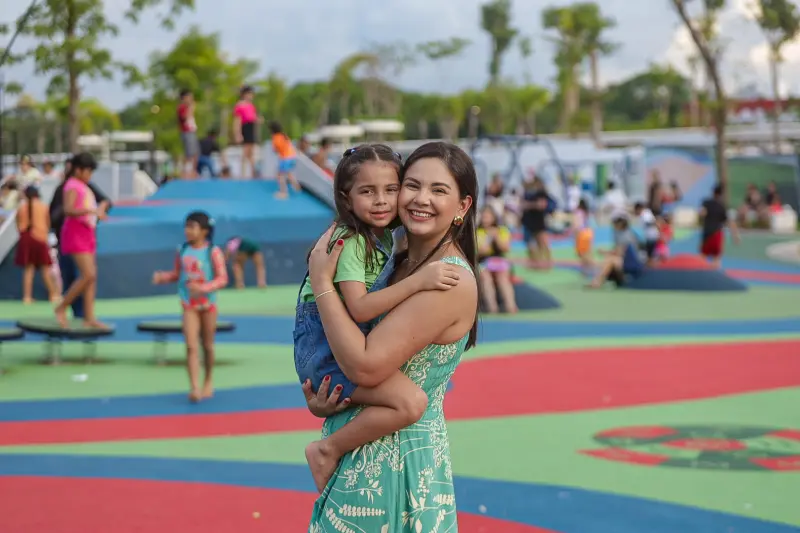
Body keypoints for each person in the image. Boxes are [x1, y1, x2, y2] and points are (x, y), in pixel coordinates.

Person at [302, 141, 479, 532]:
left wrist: (322, 283)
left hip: (395, 467)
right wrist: (333, 395)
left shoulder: (445, 278)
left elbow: (365, 366)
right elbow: (349, 350)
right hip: (364, 459)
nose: (421, 199)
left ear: (462, 207)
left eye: (438, 190)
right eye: (412, 185)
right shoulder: (400, 262)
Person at [152, 211, 228, 402]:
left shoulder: (213, 252)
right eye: (186, 227)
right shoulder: (183, 250)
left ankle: (208, 380)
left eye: (192, 227)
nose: (188, 231)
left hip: (208, 304)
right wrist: (163, 277)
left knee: (207, 346)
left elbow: (222, 278)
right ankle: (194, 387)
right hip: (189, 305)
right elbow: (178, 274)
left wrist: (203, 288)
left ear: (204, 231)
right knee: (191, 346)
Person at [49, 154, 111, 319]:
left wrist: (100, 208)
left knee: (92, 276)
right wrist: (91, 211)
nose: (90, 175)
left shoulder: (84, 186)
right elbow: (68, 209)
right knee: (88, 274)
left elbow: (104, 200)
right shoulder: (72, 185)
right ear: (78, 170)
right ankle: (61, 307)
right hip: (76, 232)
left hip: (86, 232)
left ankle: (89, 318)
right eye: (88, 171)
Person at [15, 186, 58, 303]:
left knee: (29, 269)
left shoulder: (22, 207)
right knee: (45, 268)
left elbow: (18, 223)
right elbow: (48, 223)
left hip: (26, 238)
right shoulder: (43, 207)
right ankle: (53, 294)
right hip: (39, 238)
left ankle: (27, 296)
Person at [587, 213, 645, 289]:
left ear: (621, 224)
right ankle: (597, 281)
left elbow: (620, 252)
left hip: (633, 263)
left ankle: (597, 282)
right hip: (625, 261)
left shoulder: (626, 235)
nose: (614, 224)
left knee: (611, 260)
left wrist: (604, 252)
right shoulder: (620, 233)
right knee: (609, 260)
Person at [476, 205, 516, 313]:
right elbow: (478, 251)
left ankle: (511, 306)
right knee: (486, 278)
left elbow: (505, 248)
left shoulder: (502, 230)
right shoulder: (477, 231)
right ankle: (492, 307)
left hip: (499, 260)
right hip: (483, 261)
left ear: (493, 218)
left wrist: (496, 237)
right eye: (484, 217)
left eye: (488, 217)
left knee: (502, 278)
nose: (485, 219)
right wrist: (487, 241)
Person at [700, 184, 740, 268]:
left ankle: (702, 274)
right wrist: (735, 236)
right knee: (716, 259)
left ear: (713, 192)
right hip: (717, 234)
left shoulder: (707, 203)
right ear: (721, 194)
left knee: (702, 258)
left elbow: (702, 213)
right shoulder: (722, 206)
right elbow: (730, 222)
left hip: (707, 234)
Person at [521, 176, 552, 269]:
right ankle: (535, 263)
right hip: (528, 222)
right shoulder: (526, 193)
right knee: (530, 245)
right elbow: (523, 205)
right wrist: (533, 205)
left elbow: (542, 205)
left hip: (539, 222)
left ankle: (547, 263)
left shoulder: (541, 193)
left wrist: (529, 205)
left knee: (543, 243)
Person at [269, 121, 301, 199]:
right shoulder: (284, 135)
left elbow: (275, 150)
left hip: (285, 158)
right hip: (292, 156)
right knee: (289, 173)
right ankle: (297, 187)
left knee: (281, 175)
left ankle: (283, 192)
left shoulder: (275, 137)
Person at [233, 86, 258, 178]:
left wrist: (258, 120)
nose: (251, 96)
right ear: (244, 94)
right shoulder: (240, 105)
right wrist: (238, 133)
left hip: (251, 128)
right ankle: (242, 174)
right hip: (245, 127)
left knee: (251, 153)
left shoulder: (251, 106)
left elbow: (253, 117)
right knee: (245, 152)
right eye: (249, 94)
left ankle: (253, 173)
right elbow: (237, 121)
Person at [177, 90, 199, 178]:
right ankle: (184, 172)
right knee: (189, 153)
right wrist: (191, 109)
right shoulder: (182, 107)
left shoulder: (187, 107)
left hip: (192, 131)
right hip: (186, 132)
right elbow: (185, 117)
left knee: (195, 153)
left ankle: (193, 171)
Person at [574, 198, 594, 276]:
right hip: (588, 233)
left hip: (581, 234)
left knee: (582, 254)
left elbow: (577, 226)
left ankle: (587, 270)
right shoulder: (587, 213)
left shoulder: (578, 212)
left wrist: (575, 237)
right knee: (587, 253)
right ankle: (587, 269)